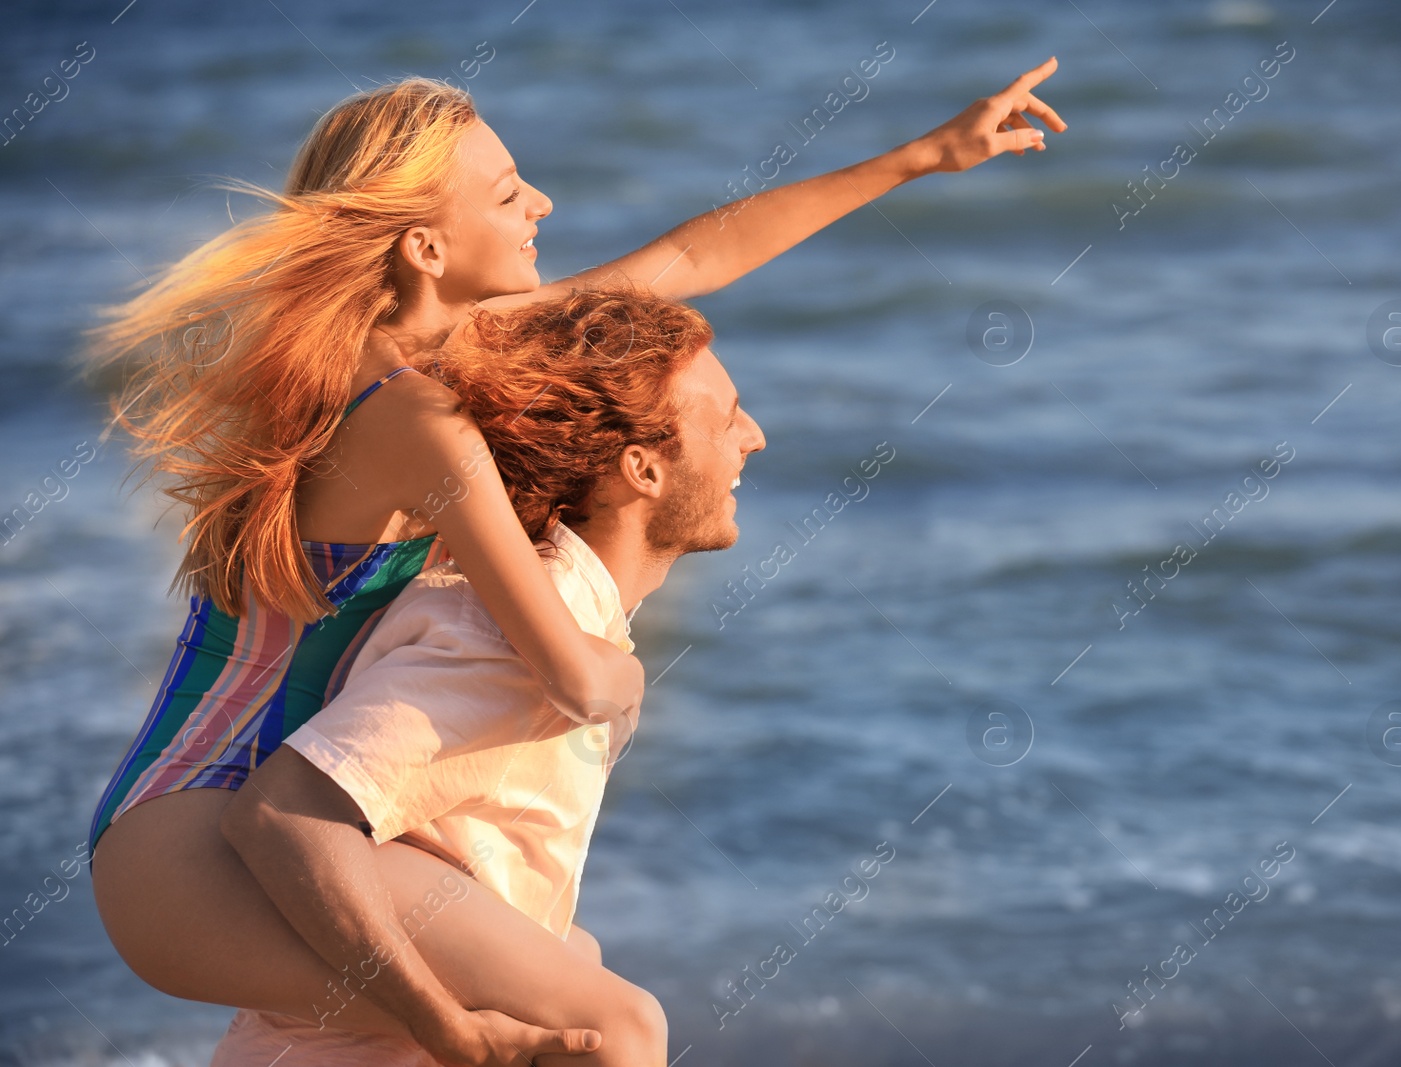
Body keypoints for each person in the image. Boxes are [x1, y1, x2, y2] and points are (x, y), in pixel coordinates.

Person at [86, 63, 1064, 1064]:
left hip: (185, 828)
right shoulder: (415, 419)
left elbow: (690, 255)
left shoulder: (417, 353)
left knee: (560, 984)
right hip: (196, 850)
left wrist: (921, 157)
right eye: (508, 193)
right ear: (426, 246)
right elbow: (568, 669)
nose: (542, 203)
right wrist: (627, 673)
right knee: (593, 1023)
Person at [212, 287, 755, 1065]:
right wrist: (441, 1022)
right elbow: (284, 812)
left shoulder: (568, 620)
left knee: (577, 954)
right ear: (641, 468)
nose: (756, 437)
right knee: (622, 1025)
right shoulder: (504, 640)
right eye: (729, 416)